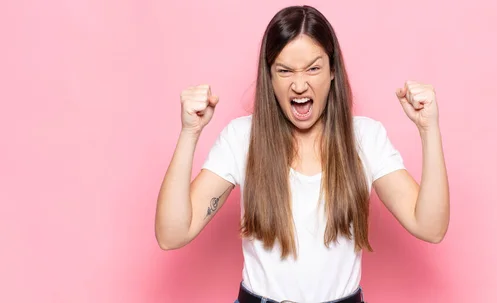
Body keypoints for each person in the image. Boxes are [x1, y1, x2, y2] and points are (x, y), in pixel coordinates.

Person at [155, 5, 449, 303]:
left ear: (333, 70)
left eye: (313, 68)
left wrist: (429, 130)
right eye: (284, 71)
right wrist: (190, 132)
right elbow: (172, 234)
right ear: (269, 77)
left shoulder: (366, 138)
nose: (299, 84)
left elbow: (430, 227)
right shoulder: (242, 137)